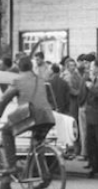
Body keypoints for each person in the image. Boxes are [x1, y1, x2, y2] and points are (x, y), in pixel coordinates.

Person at [0, 56, 56, 189]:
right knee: (38, 145)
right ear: (31, 67)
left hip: (29, 114)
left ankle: (12, 166)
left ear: (19, 68)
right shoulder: (40, 79)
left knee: (6, 131)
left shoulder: (18, 80)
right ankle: (44, 175)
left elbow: (5, 99)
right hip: (47, 116)